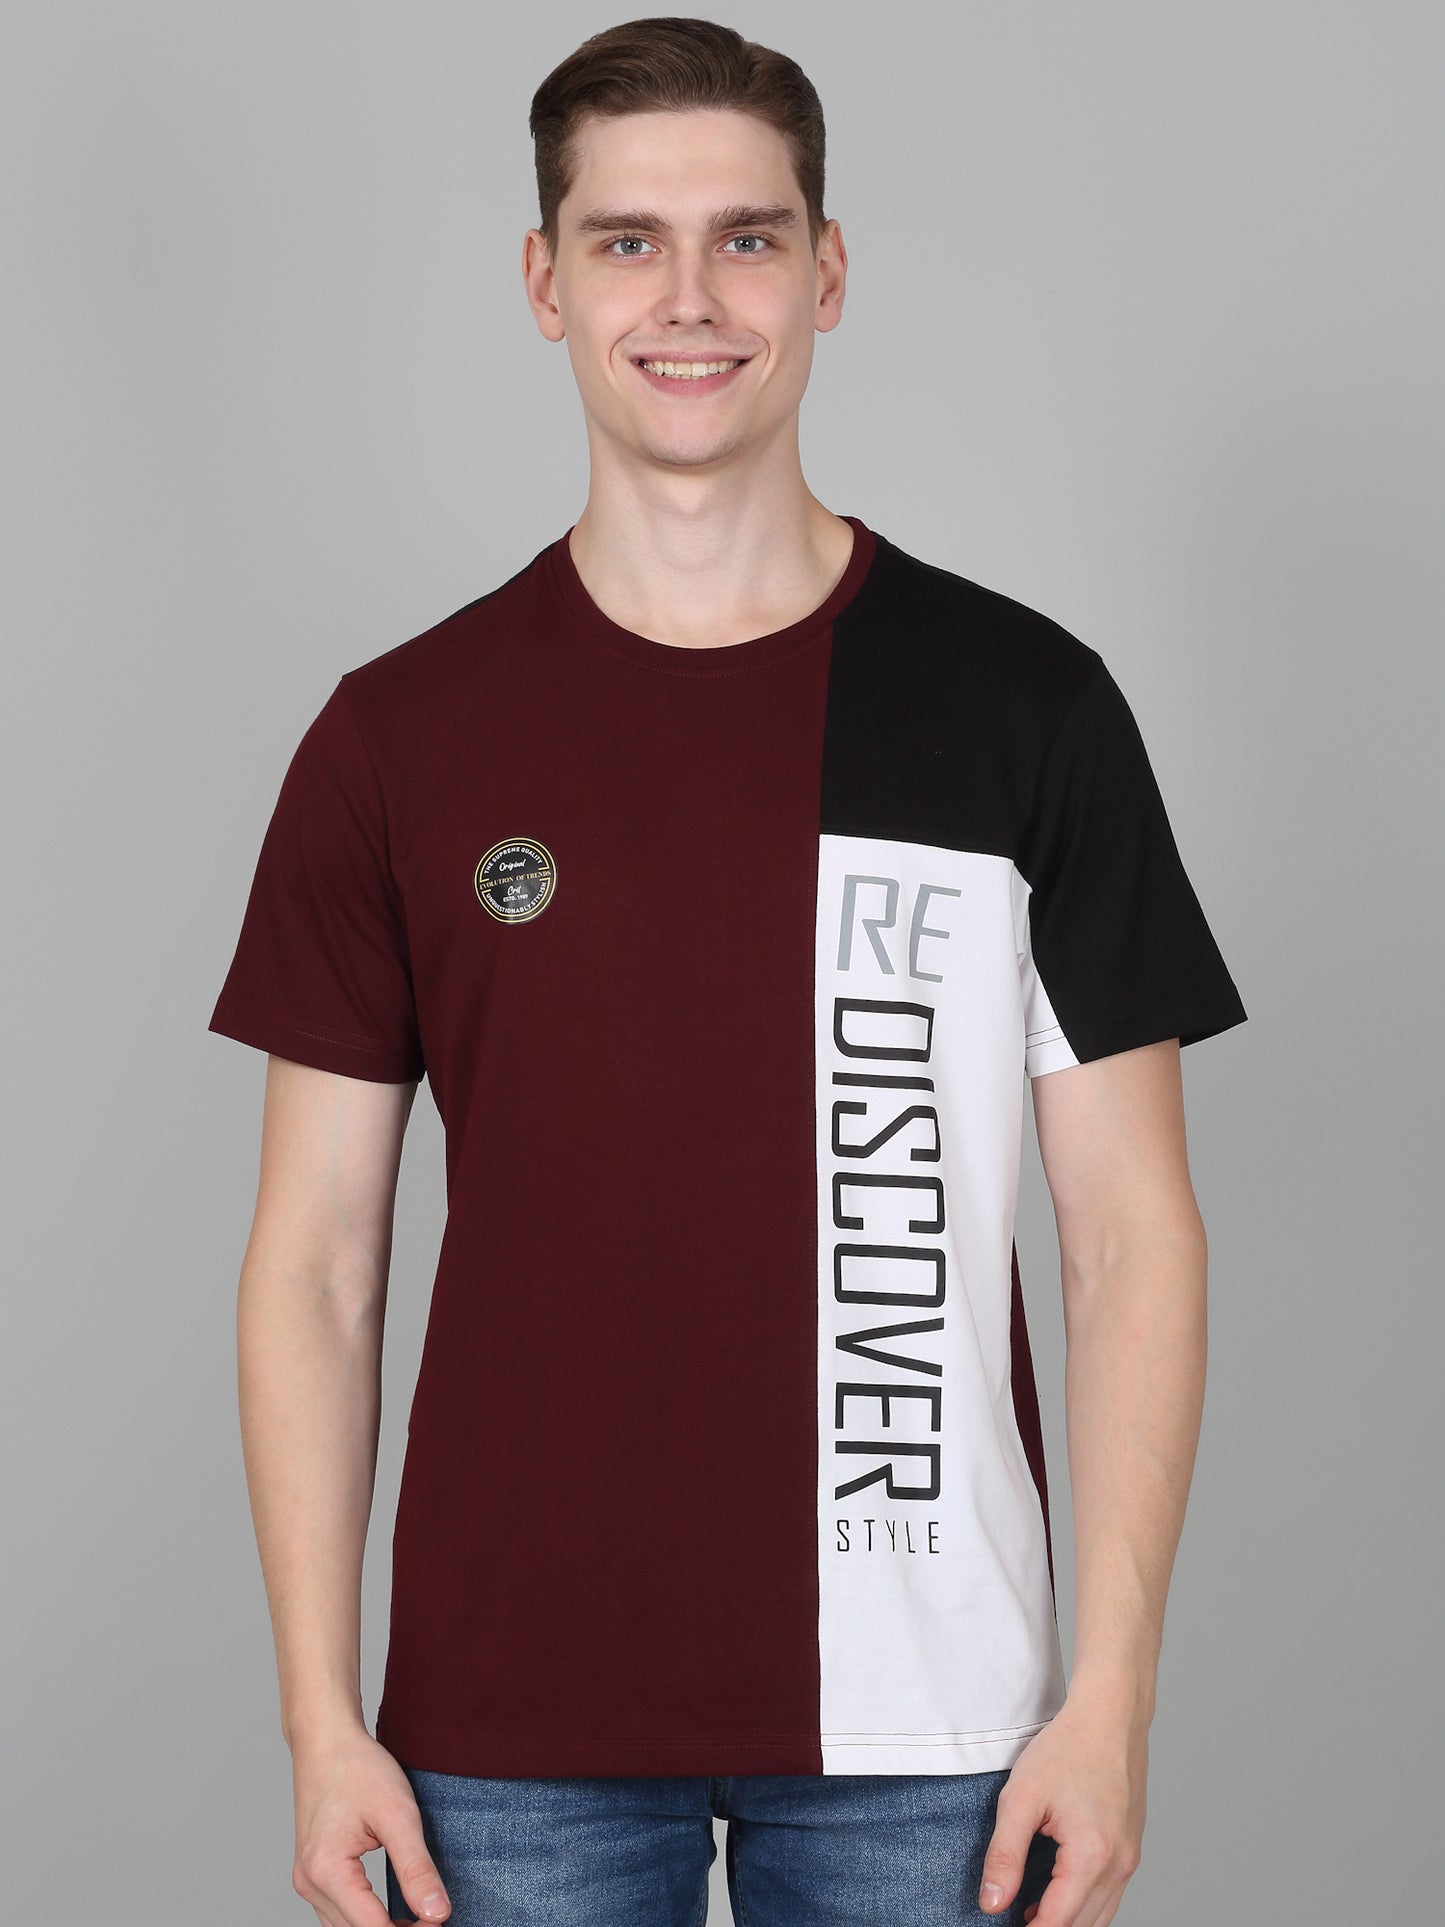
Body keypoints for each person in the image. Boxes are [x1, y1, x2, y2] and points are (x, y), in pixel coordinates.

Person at [208, 17, 1247, 1927]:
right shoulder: (398, 737)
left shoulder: (1025, 709)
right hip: (501, 1733)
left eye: (746, 238)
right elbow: (316, 1265)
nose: (688, 297)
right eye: (626, 241)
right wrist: (315, 1716)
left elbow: (1130, 1240)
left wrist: (1111, 1701)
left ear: (825, 271)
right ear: (545, 282)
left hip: (937, 1727)